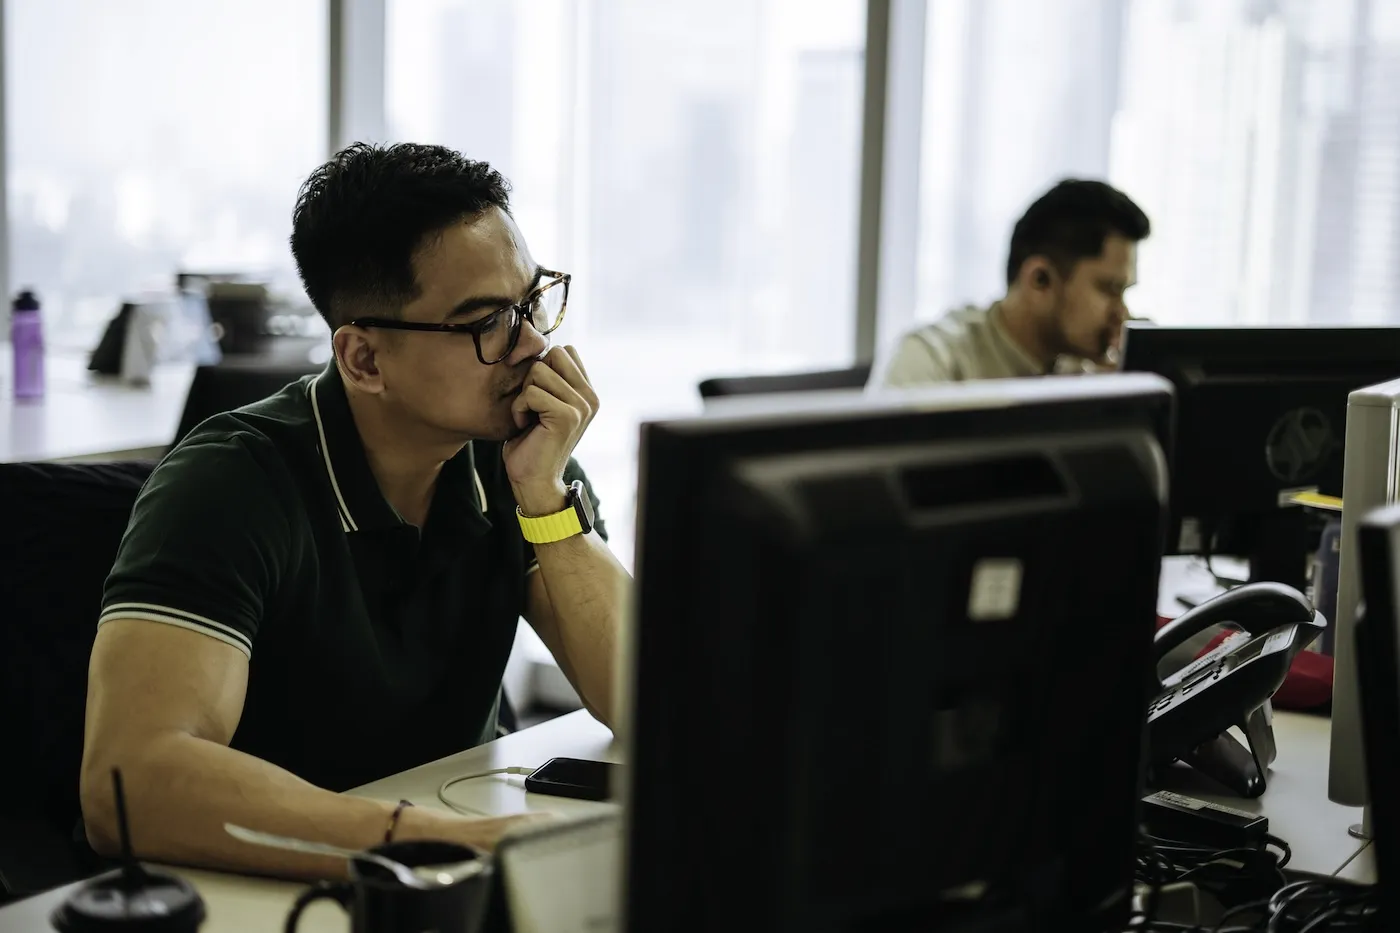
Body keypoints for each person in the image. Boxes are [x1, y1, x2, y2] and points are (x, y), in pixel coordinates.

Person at [78, 142, 630, 878]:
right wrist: (430, 841)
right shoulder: (226, 484)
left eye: (531, 302)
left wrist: (545, 498)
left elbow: (645, 699)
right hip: (272, 888)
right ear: (364, 360)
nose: (533, 345)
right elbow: (129, 785)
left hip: (432, 872)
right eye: (486, 322)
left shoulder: (519, 459)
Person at [872, 179, 1150, 387]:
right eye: (1109, 289)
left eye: (1124, 292)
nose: (1122, 314)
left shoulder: (1091, 373)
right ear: (1039, 280)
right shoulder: (930, 364)